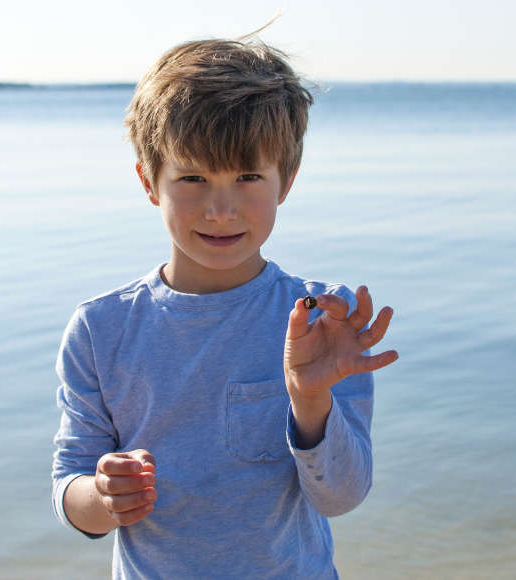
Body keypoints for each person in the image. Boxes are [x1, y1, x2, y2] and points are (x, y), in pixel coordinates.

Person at [51, 36, 398, 579]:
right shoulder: (102, 329)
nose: (220, 209)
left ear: (286, 181)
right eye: (192, 178)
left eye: (248, 178)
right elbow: (72, 489)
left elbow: (342, 497)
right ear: (149, 182)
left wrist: (310, 400)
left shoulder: (322, 321)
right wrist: (103, 494)